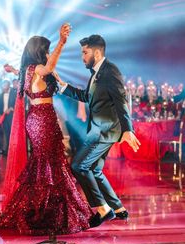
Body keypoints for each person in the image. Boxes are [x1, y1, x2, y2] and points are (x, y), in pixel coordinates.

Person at [0, 24, 93, 235]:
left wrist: (12, 70)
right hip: (42, 121)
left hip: (40, 120)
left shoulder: (27, 72)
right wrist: (62, 43)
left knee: (46, 163)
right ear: (39, 52)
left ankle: (43, 207)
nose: (48, 53)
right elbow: (49, 65)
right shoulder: (37, 69)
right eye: (46, 50)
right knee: (49, 163)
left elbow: (35, 72)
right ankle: (45, 212)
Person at [57, 35, 140, 227]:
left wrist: (128, 130)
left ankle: (104, 210)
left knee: (79, 166)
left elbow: (121, 101)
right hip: (100, 129)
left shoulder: (110, 71)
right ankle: (118, 208)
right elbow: (86, 96)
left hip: (105, 130)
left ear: (96, 52)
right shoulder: (97, 72)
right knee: (94, 169)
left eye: (84, 53)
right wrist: (63, 87)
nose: (82, 57)